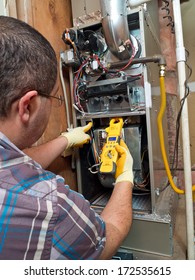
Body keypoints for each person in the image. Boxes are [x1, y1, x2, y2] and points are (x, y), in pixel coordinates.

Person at [0, 15, 134, 260]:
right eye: (54, 98)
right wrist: (126, 176)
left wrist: (66, 139)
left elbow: (12, 166)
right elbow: (106, 237)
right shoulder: (49, 206)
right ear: (27, 106)